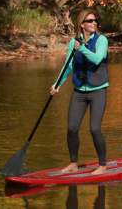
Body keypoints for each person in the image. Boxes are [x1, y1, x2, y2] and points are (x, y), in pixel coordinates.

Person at [50, 9, 109, 175]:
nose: (94, 23)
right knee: (71, 128)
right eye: (90, 21)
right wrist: (57, 84)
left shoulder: (102, 40)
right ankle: (73, 164)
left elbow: (98, 59)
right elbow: (68, 65)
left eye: (95, 20)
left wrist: (82, 48)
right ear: (82, 24)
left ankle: (103, 165)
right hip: (79, 92)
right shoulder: (73, 43)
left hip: (98, 91)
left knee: (94, 129)